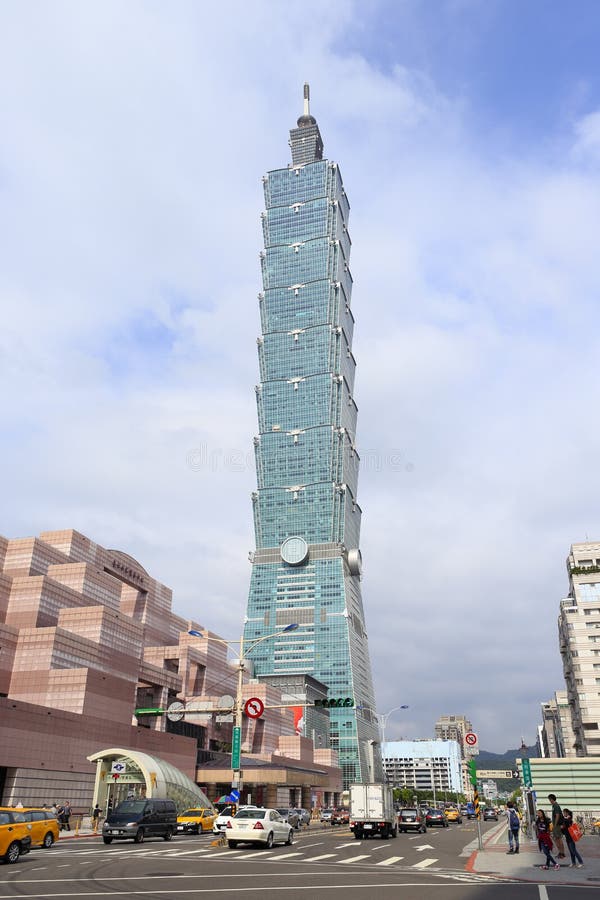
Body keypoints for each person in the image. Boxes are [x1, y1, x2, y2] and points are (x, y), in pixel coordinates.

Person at [547, 793, 566, 859]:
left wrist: (555, 824)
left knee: (559, 839)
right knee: (557, 839)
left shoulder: (556, 805)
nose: (549, 801)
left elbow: (557, 815)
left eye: (549, 799)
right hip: (556, 825)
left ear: (551, 799)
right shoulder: (554, 806)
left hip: (557, 825)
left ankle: (562, 853)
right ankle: (560, 852)